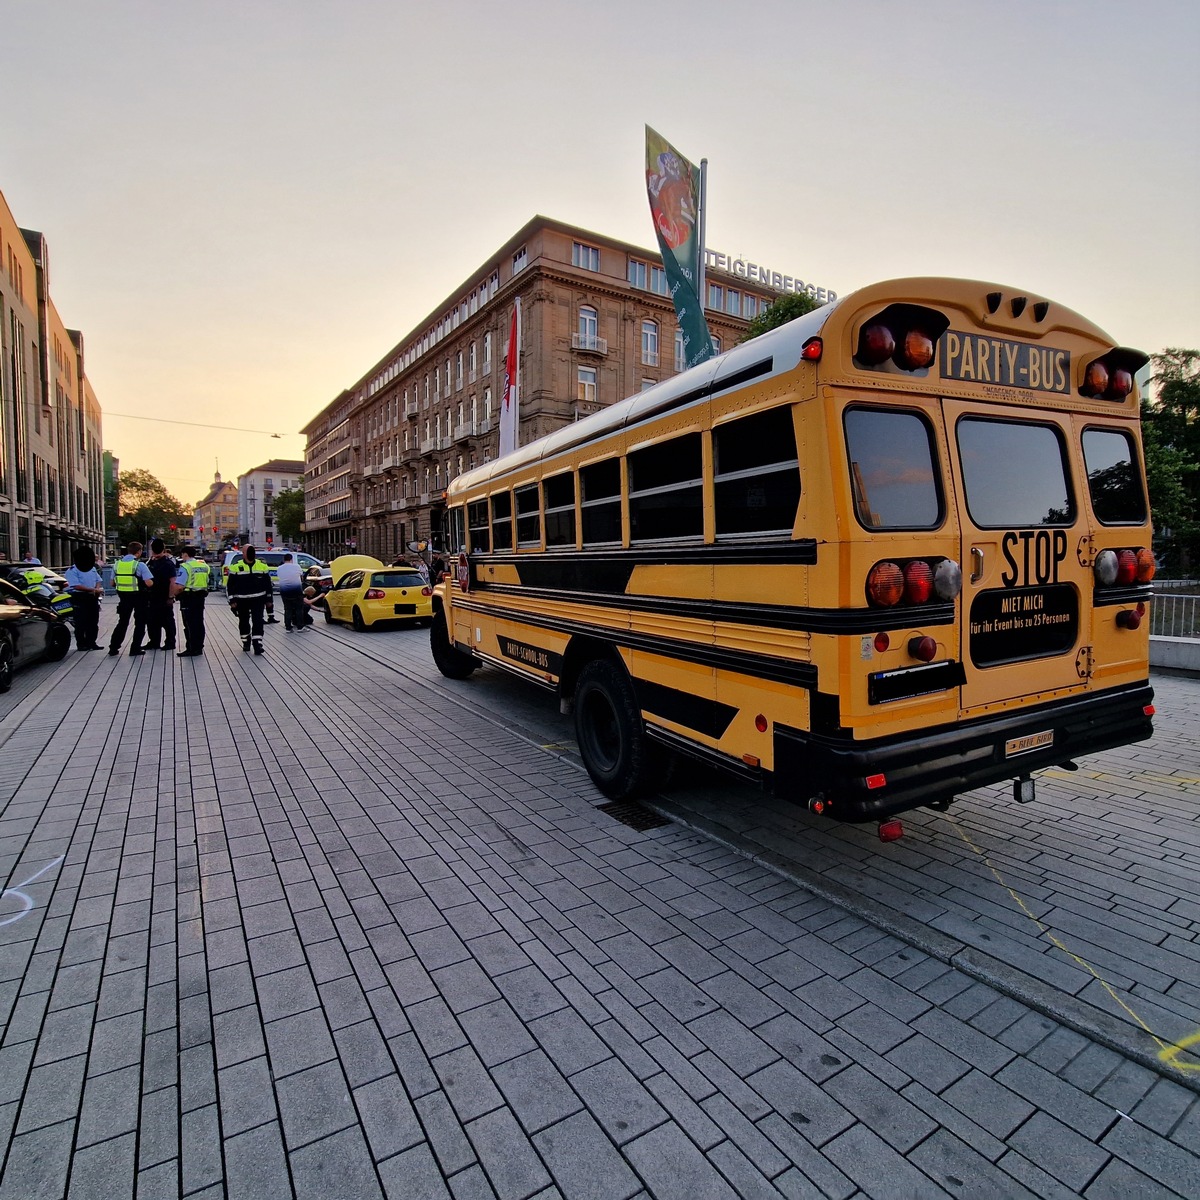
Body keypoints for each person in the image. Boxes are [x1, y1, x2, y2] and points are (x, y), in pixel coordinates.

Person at [108, 541, 154, 656]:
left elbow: (112, 583)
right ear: (139, 552)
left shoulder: (117, 564)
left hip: (123, 598)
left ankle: (113, 648)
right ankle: (135, 648)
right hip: (139, 598)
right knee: (140, 623)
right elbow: (149, 583)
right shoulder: (139, 565)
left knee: (122, 623)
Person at [226, 543, 272, 654]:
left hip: (258, 599)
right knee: (243, 621)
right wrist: (232, 601)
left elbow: (268, 585)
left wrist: (269, 600)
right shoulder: (235, 567)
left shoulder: (262, 566)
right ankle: (246, 641)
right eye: (248, 551)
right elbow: (230, 586)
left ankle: (257, 644)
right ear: (243, 554)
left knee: (258, 621)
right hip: (242, 600)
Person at [64, 547, 104, 650]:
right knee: (81, 622)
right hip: (79, 597)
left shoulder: (92, 568)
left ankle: (92, 642)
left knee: (93, 621)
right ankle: (81, 644)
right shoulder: (72, 570)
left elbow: (98, 580)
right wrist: (92, 590)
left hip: (92, 597)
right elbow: (76, 586)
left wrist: (97, 589)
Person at [172, 547, 210, 657]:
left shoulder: (185, 567)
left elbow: (180, 586)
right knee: (199, 622)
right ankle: (199, 646)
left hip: (188, 598)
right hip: (200, 597)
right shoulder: (204, 566)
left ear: (185, 554)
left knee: (189, 623)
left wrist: (173, 595)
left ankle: (191, 648)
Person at [144, 539, 178, 651]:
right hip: (155, 596)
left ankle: (168, 642)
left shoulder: (153, 563)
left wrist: (170, 597)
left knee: (165, 620)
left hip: (159, 596)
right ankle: (156, 642)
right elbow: (173, 581)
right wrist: (171, 596)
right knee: (154, 621)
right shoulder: (156, 562)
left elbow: (172, 581)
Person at [275, 552, 308, 631]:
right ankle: (300, 627)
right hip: (296, 590)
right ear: (291, 559)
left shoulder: (279, 568)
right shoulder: (297, 566)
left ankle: (288, 627)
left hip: (284, 591)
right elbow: (301, 577)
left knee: (287, 609)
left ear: (284, 559)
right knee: (299, 609)